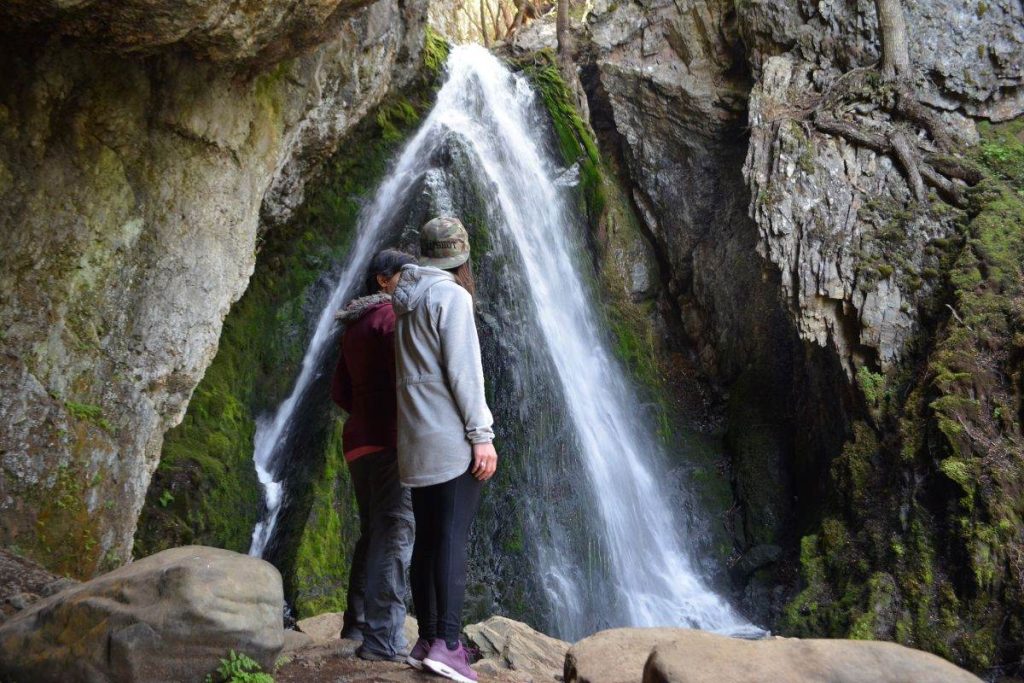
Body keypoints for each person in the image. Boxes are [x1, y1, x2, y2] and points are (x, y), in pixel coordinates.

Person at [392, 217, 498, 683]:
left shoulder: (405, 303)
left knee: (429, 540)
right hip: (449, 441)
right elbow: (465, 374)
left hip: (414, 441)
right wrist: (482, 435)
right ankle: (451, 646)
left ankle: (426, 639)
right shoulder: (452, 297)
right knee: (452, 539)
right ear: (460, 256)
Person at [330, 248, 417, 662]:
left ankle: (357, 623)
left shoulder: (354, 326)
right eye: (405, 274)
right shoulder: (389, 320)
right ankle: (383, 640)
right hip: (389, 440)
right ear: (383, 280)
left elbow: (339, 392)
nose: (412, 282)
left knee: (373, 532)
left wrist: (367, 411)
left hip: (359, 442)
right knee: (397, 530)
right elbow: (413, 376)